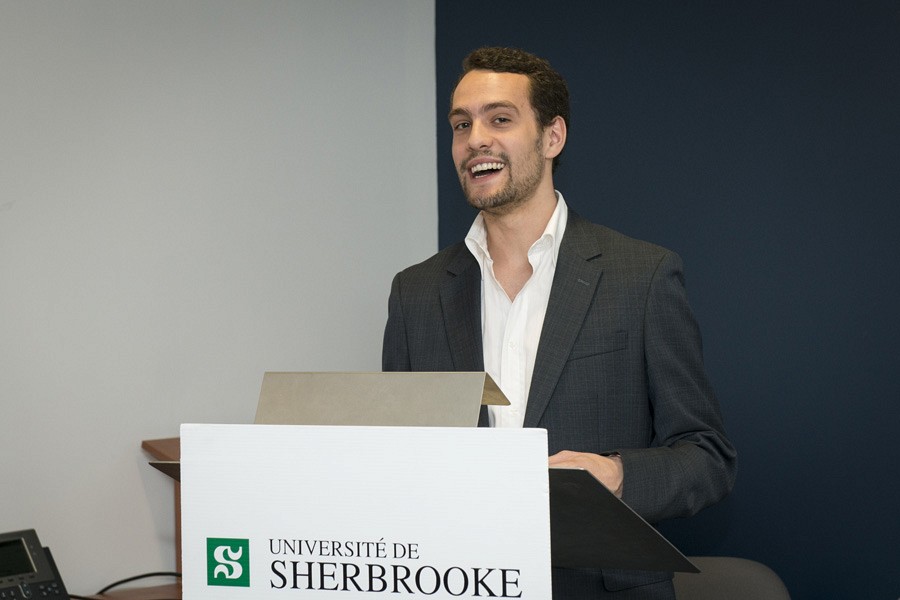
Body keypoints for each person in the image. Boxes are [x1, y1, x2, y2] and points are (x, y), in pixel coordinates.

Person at [382, 46, 736, 599]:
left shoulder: (641, 277)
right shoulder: (416, 293)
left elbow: (707, 457)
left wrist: (619, 476)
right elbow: (396, 458)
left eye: (500, 119)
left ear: (553, 137)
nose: (475, 138)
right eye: (461, 124)